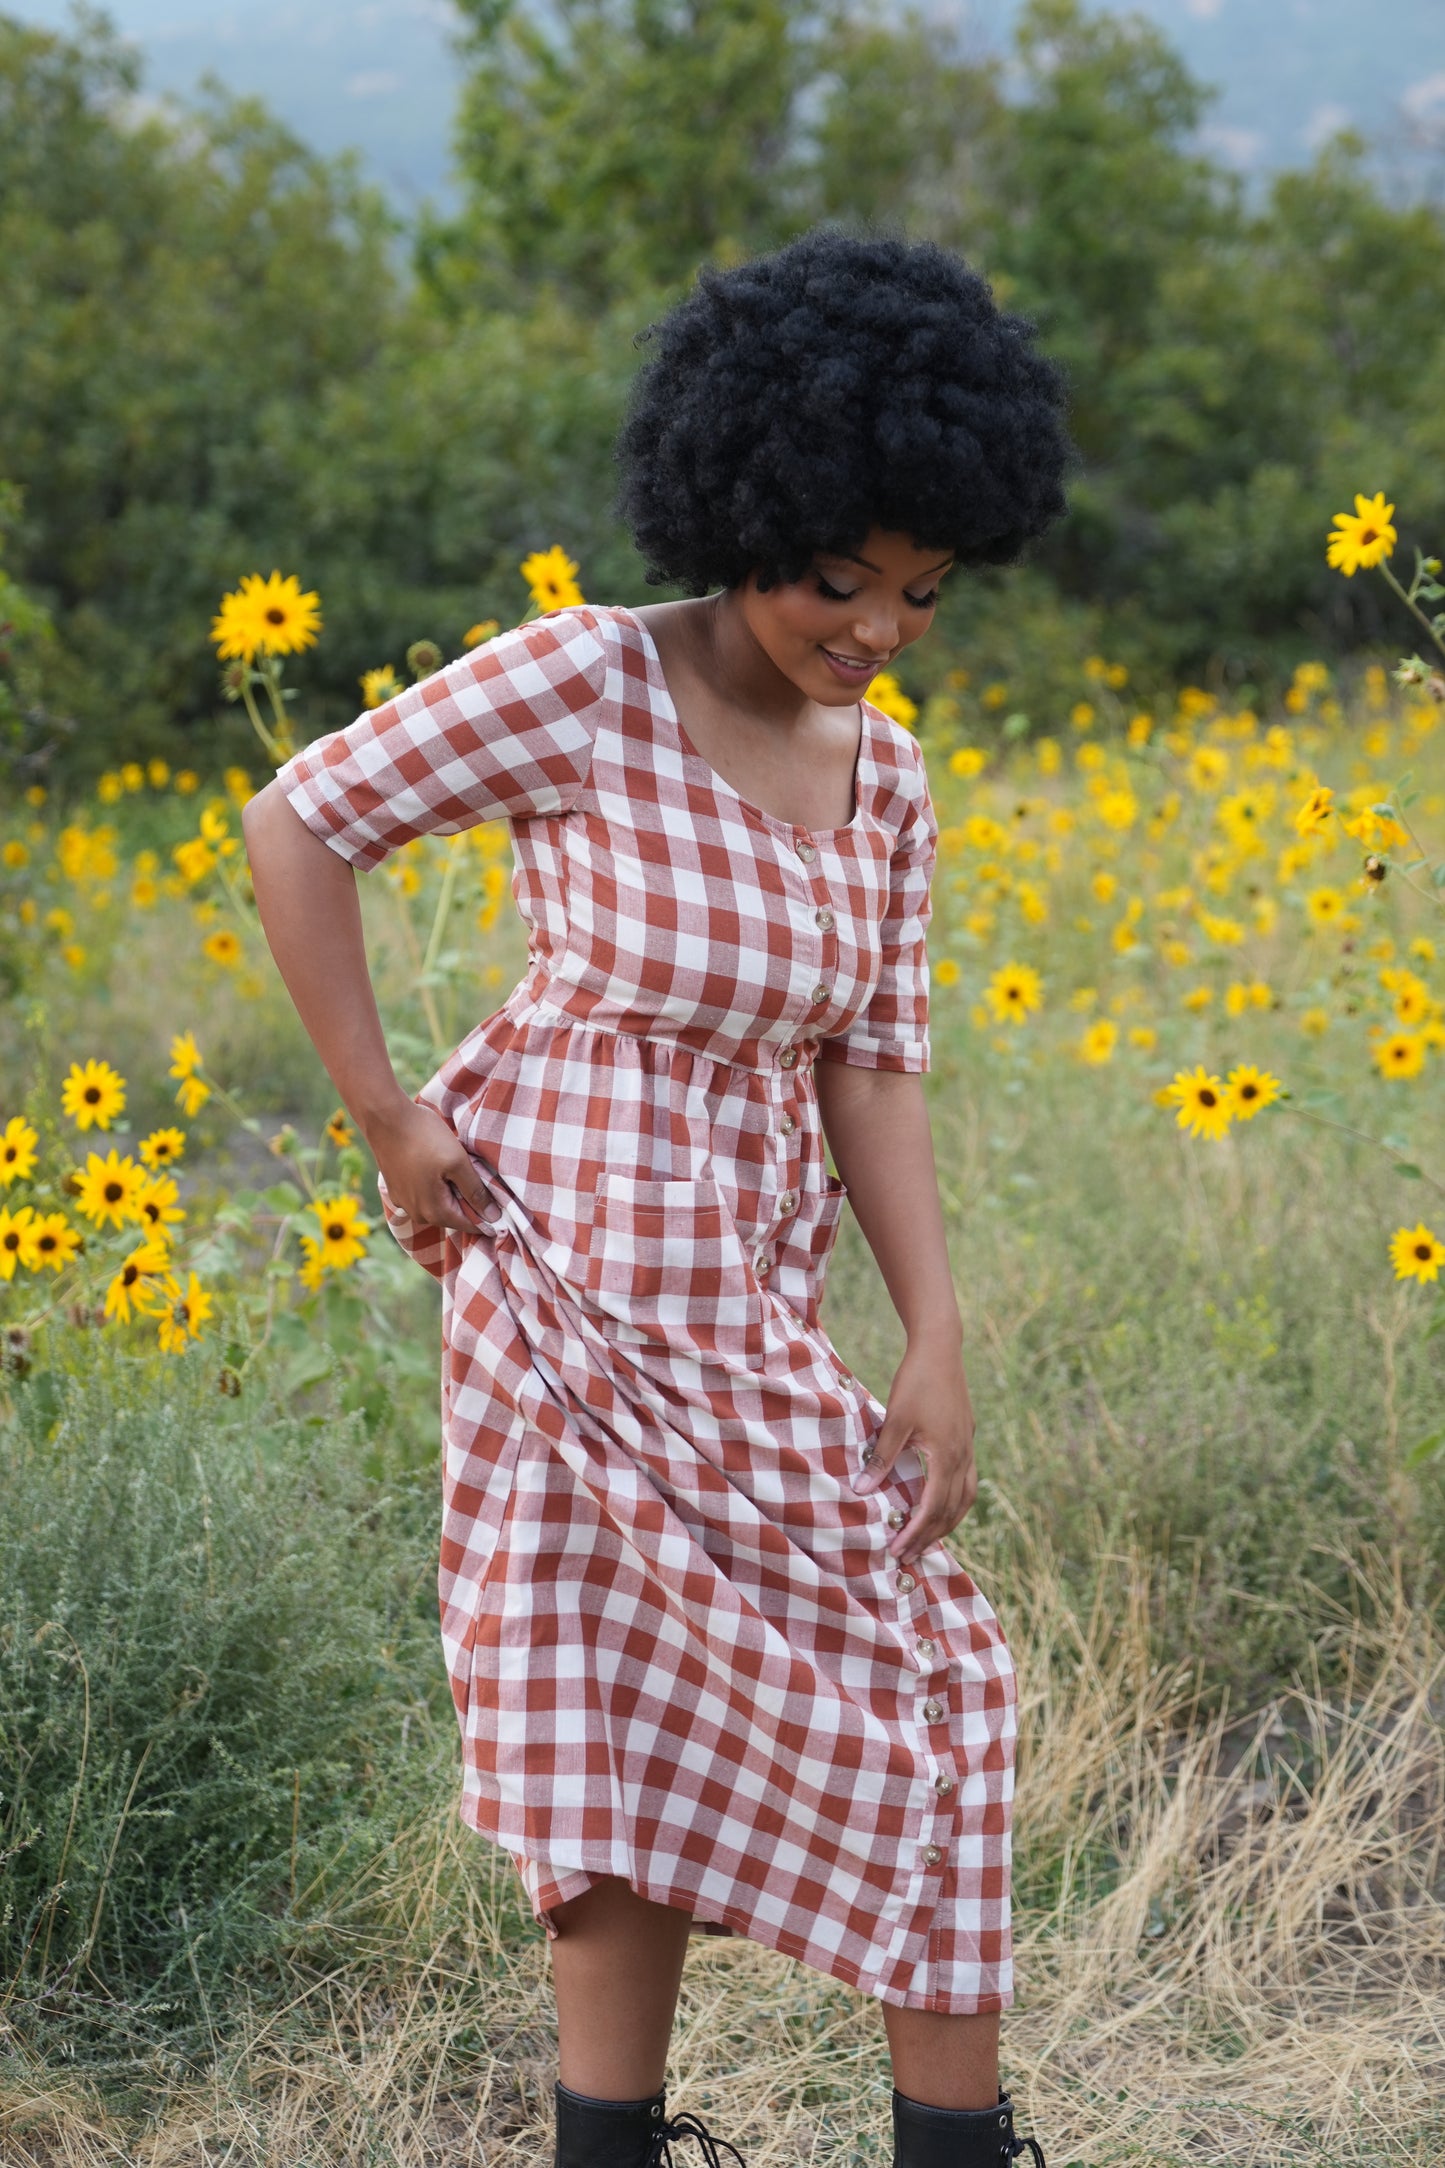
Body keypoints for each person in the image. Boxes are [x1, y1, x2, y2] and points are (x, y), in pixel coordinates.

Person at [243, 225, 1071, 2168]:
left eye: (925, 590)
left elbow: (874, 1060)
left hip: (741, 1299)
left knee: (935, 1693)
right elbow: (300, 819)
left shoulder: (889, 772)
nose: (875, 627)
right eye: (835, 579)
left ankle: (953, 2147)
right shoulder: (583, 684)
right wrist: (386, 1113)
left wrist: (936, 1334)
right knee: (611, 1715)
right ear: (742, 508)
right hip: (562, 1280)